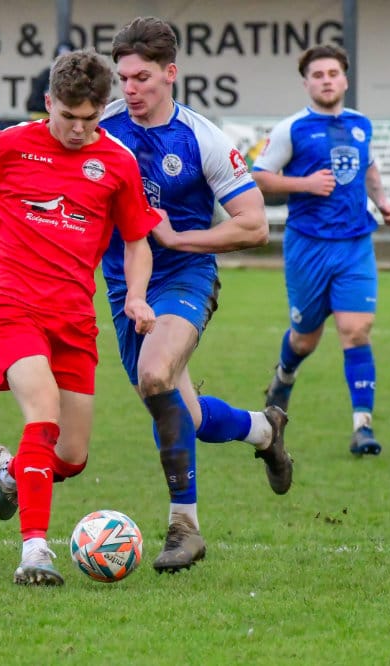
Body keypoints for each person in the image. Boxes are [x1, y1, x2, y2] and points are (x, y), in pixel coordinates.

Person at [0, 49, 161, 586]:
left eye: (89, 119)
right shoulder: (9, 146)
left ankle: (13, 473)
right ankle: (34, 551)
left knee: (71, 456)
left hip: (73, 314)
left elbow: (136, 240)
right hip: (10, 301)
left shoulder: (118, 161)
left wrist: (137, 296)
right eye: (68, 116)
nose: (78, 129)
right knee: (43, 413)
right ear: (49, 102)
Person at [97, 16, 293, 574]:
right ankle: (262, 429)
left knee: (155, 374)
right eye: (123, 78)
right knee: (182, 413)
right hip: (124, 286)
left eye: (141, 78)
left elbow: (254, 225)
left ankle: (185, 527)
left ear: (171, 73)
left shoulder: (203, 138)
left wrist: (180, 238)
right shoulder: (103, 127)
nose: (130, 89)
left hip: (185, 276)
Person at [252, 44, 390, 456]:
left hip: (355, 244)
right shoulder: (292, 129)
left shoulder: (361, 124)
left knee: (356, 330)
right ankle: (284, 376)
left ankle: (362, 427)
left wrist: (383, 202)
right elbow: (259, 176)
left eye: (333, 73)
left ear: (345, 80)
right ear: (306, 84)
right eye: (318, 75)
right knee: (305, 340)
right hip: (309, 247)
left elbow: (369, 168)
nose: (327, 80)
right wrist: (305, 184)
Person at [24, 42, 72, 119]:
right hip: (45, 119)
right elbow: (32, 104)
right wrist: (58, 107)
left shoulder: (80, 77)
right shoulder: (45, 75)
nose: (63, 66)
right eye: (59, 61)